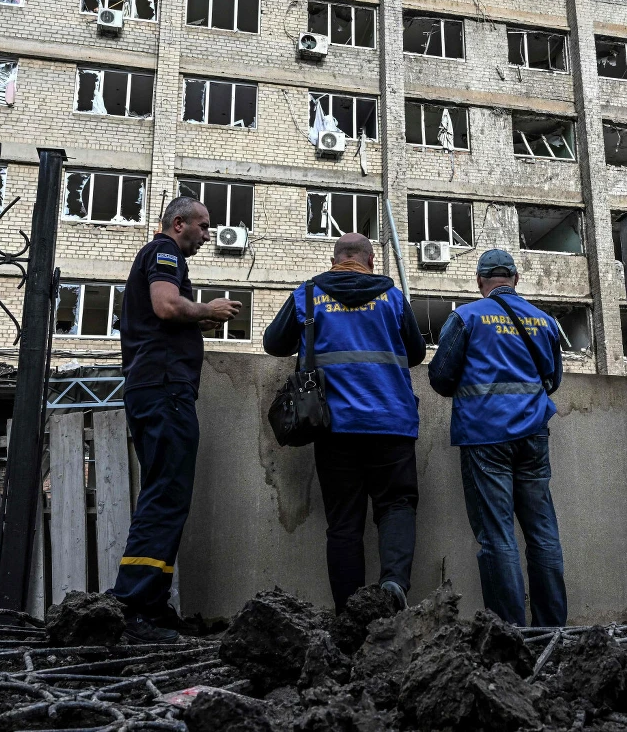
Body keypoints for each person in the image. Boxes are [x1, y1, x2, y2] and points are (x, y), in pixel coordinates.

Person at [263, 232, 426, 612]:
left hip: (332, 426)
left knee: (343, 522)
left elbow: (274, 343)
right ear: (370, 261)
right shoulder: (392, 297)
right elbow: (416, 354)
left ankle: (350, 613)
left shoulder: (308, 295)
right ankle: (393, 585)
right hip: (391, 422)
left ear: (334, 260)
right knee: (396, 505)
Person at [110, 195, 241, 642]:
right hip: (166, 389)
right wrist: (208, 310)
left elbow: (163, 316)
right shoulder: (163, 252)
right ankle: (134, 608)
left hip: (154, 388)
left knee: (166, 493)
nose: (209, 235)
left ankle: (150, 604)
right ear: (179, 223)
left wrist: (194, 322)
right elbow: (166, 306)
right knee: (166, 496)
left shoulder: (156, 257)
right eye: (203, 226)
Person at [427, 249, 567, 628]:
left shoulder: (466, 317)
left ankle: (510, 632)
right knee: (542, 532)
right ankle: (552, 629)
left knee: (497, 535)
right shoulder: (545, 321)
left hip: (485, 436)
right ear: (515, 279)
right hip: (534, 435)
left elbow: (440, 378)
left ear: (479, 282)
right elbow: (553, 381)